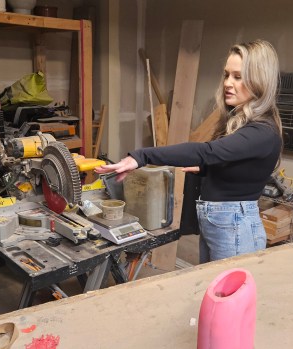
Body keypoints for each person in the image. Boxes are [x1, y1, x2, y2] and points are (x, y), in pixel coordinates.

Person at [95, 40, 283, 263]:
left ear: (260, 80)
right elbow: (240, 168)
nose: (227, 83)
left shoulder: (262, 131)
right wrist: (205, 169)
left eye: (238, 76)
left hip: (235, 225)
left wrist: (141, 156)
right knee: (216, 289)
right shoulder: (241, 123)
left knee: (229, 294)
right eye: (226, 75)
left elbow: (207, 151)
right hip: (222, 222)